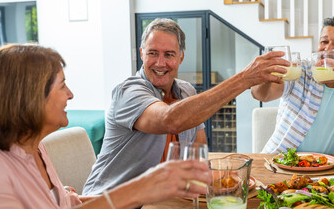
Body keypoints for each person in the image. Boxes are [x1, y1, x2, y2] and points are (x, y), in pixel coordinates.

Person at [0, 44, 211, 209]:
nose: (70, 94)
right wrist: (141, 188)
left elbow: (69, 206)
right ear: (29, 96)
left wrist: (145, 189)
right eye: (62, 86)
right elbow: (170, 119)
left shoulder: (35, 147)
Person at [83, 18, 290, 196]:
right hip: (109, 200)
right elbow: (170, 120)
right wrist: (244, 79)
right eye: (153, 53)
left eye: (169, 54)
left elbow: (198, 150)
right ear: (141, 54)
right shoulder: (127, 92)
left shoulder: (186, 91)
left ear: (181, 57)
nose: (160, 62)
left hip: (160, 198)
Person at [251, 17, 334, 154]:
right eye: (324, 42)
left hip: (326, 169)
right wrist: (266, 78)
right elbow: (261, 95)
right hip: (278, 162)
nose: (328, 49)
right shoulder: (301, 71)